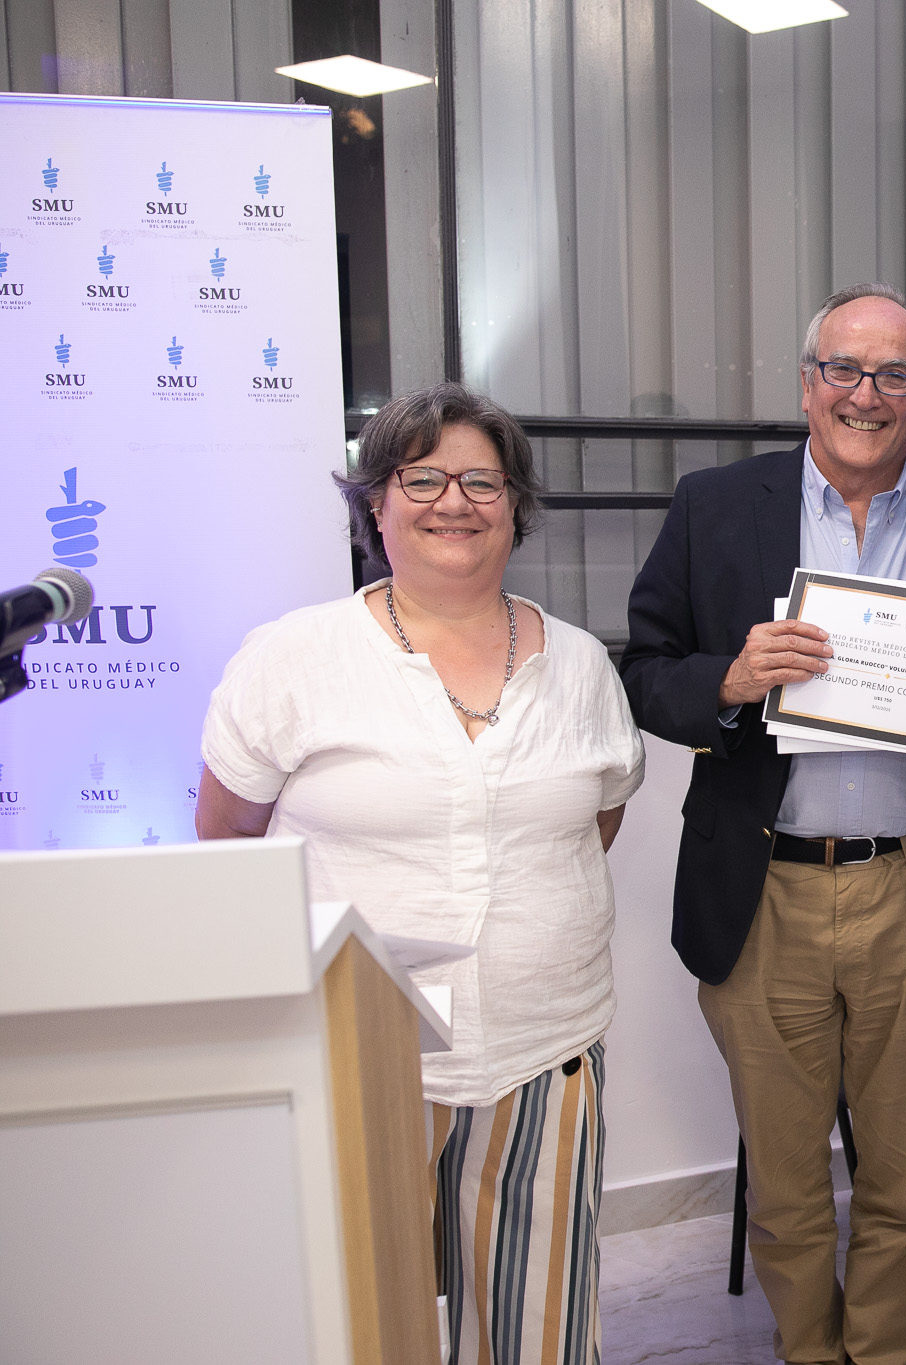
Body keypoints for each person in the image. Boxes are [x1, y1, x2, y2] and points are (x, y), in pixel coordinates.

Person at [196, 382, 646, 1365]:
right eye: (423, 479)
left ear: (516, 505)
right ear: (375, 502)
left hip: (546, 1048)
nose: (455, 502)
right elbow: (227, 838)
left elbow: (592, 823)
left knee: (538, 1333)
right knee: (363, 1323)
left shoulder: (579, 665)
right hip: (359, 1052)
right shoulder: (294, 656)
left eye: (482, 481)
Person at [621, 282, 906, 1365]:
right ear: (806, 384)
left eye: (894, 376)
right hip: (764, 893)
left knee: (903, 1180)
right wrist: (730, 679)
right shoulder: (713, 505)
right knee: (786, 1190)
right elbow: (643, 672)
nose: (865, 394)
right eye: (844, 369)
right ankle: (806, 1350)